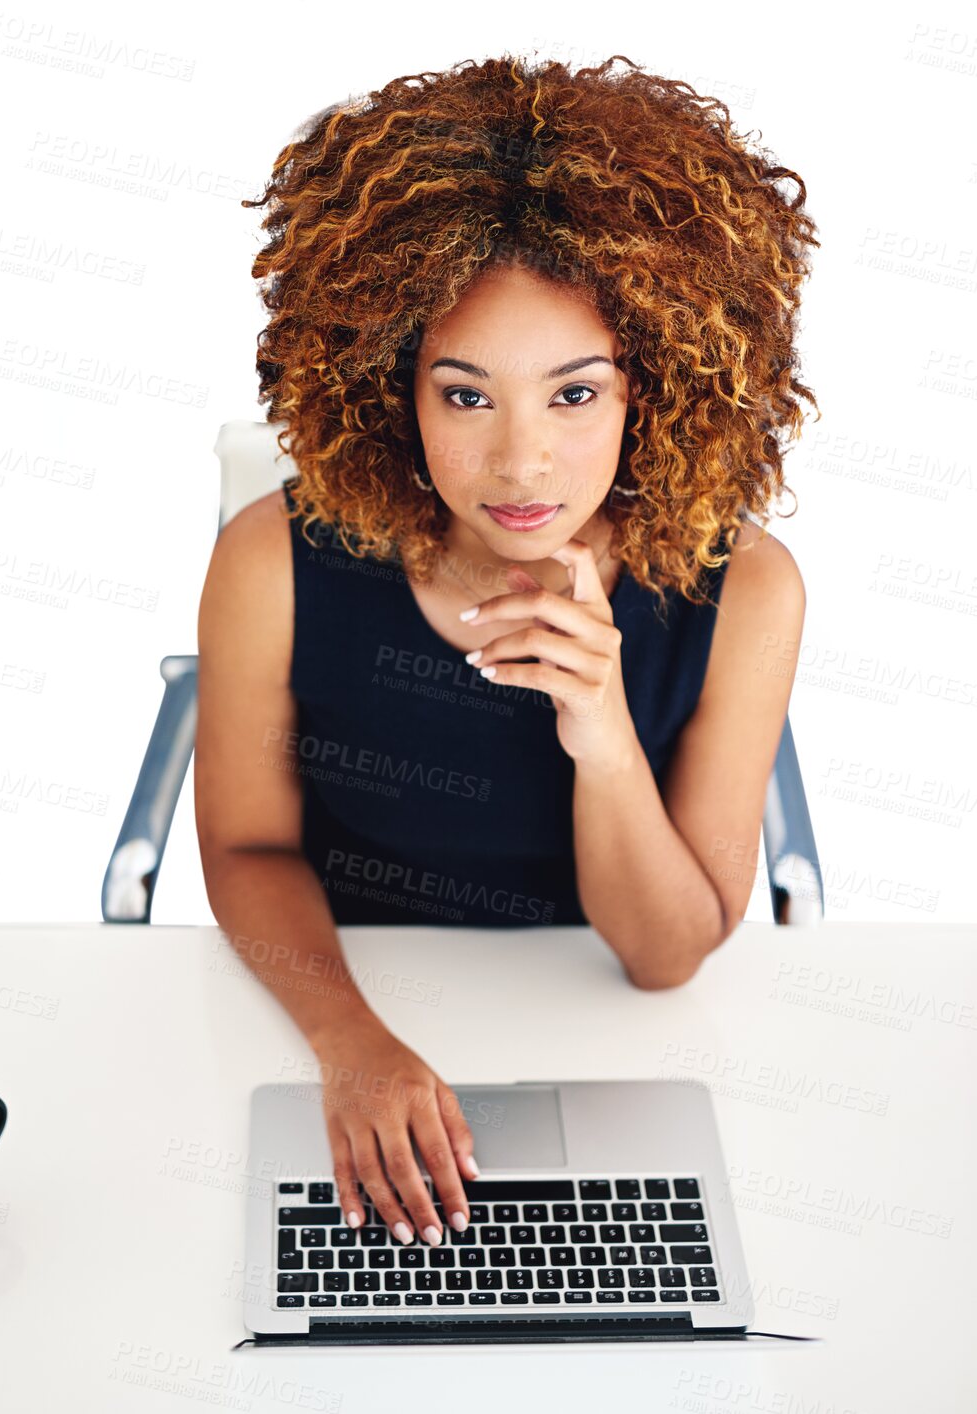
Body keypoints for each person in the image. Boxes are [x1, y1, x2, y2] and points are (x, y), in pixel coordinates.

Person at [194, 54, 812, 1254]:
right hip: (356, 990)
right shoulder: (273, 560)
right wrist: (352, 1045)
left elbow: (666, 956)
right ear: (390, 390)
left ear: (659, 386)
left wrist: (603, 732)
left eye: (574, 396)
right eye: (466, 397)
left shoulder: (747, 591)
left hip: (614, 1039)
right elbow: (245, 844)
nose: (522, 465)